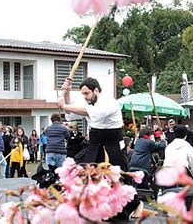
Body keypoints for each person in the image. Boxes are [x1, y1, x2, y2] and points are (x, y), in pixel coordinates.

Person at [58, 77, 142, 219]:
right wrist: (67, 92)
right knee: (85, 174)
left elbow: (92, 114)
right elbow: (71, 116)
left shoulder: (109, 102)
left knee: (118, 178)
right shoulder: (89, 102)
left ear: (96, 90)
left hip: (113, 143)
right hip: (95, 143)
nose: (85, 97)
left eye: (87, 93)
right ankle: (94, 208)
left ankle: (136, 204)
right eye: (83, 94)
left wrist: (64, 106)